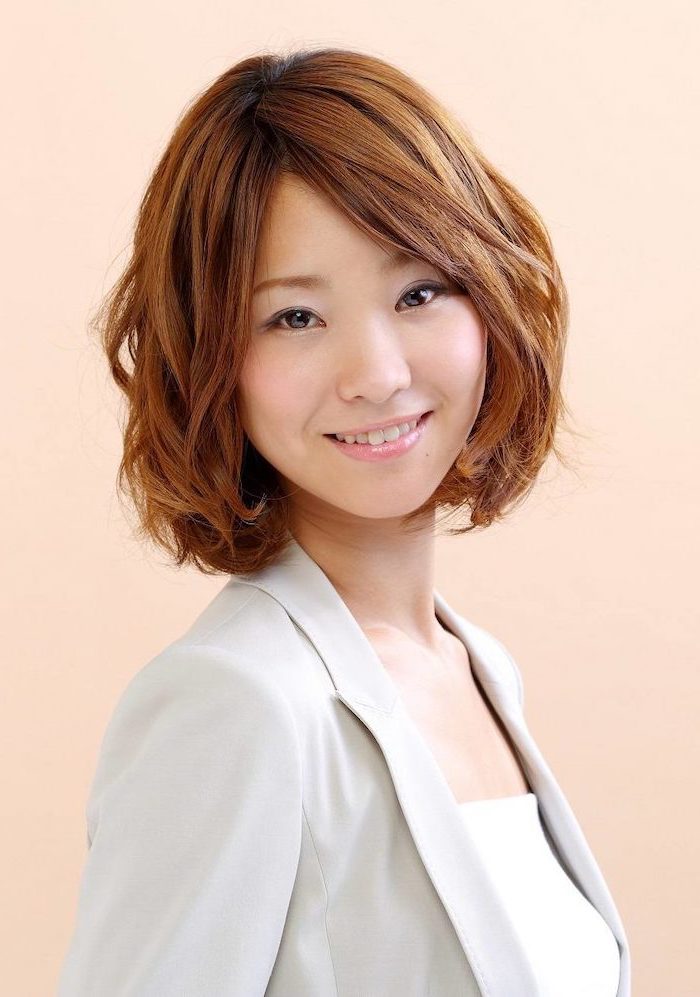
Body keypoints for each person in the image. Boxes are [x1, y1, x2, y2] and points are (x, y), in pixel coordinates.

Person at [57, 47, 630, 996]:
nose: (377, 373)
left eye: (418, 293)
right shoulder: (236, 702)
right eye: (293, 318)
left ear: (488, 300)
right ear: (209, 357)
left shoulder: (479, 667)